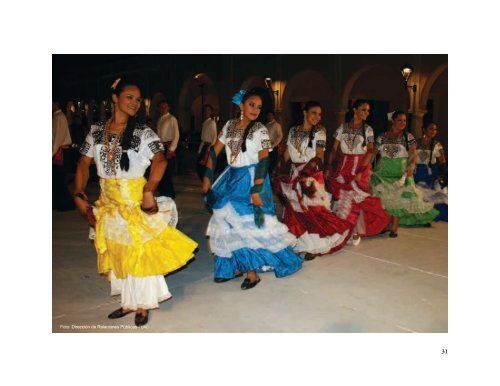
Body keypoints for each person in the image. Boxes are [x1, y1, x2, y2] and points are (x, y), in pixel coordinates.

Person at [73, 79, 198, 327]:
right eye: (129, 97)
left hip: (134, 203)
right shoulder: (97, 130)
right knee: (118, 251)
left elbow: (160, 161)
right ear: (115, 99)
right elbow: (83, 163)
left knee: (139, 252)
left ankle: (142, 304)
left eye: (138, 99)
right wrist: (78, 193)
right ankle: (129, 301)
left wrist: (149, 190)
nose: (135, 103)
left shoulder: (142, 132)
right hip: (108, 204)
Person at [202, 88, 302, 290]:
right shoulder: (229, 125)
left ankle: (252, 273)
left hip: (250, 179)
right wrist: (207, 177)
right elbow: (213, 151)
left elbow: (264, 158)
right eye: (251, 105)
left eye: (259, 107)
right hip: (230, 178)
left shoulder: (260, 130)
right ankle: (230, 267)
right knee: (225, 223)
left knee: (245, 225)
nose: (255, 110)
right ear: (241, 105)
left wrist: (256, 189)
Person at [274, 101, 351, 260]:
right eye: (314, 113)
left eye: (319, 114)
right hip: (295, 174)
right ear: (305, 112)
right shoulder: (293, 130)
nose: (317, 117)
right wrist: (278, 167)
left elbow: (319, 155)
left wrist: (307, 172)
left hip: (311, 175)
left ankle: (315, 246)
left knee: (313, 211)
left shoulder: (320, 131)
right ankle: (301, 243)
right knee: (295, 210)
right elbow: (288, 153)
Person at [325, 100, 391, 245]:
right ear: (355, 110)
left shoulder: (368, 130)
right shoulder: (342, 128)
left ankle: (355, 230)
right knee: (343, 196)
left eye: (368, 111)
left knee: (356, 197)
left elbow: (370, 151)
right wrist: (329, 167)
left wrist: (361, 171)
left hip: (361, 165)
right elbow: (334, 149)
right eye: (363, 110)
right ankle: (343, 228)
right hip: (344, 165)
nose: (366, 113)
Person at [370, 111, 439, 237]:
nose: (402, 123)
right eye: (399, 120)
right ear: (393, 121)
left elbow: (413, 154)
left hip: (399, 171)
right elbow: (373, 153)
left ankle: (394, 227)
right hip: (383, 170)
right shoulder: (381, 137)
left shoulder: (408, 137)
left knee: (397, 198)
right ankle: (386, 224)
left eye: (405, 121)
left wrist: (411, 167)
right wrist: (367, 166)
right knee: (384, 198)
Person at [414, 122, 448, 221]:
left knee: (431, 193)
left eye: (435, 129)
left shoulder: (437, 145)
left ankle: (431, 214)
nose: (433, 131)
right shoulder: (415, 142)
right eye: (431, 129)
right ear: (424, 129)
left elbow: (442, 160)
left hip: (430, 172)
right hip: (416, 171)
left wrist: (442, 174)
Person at [53, 99, 75, 211]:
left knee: (59, 179)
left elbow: (57, 138)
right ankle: (61, 203)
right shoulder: (58, 117)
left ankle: (65, 204)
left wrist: (51, 153)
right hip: (60, 150)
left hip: (60, 151)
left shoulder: (58, 117)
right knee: (58, 179)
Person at [156, 100, 179, 198]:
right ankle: (163, 192)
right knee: (161, 170)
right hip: (161, 147)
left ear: (168, 108)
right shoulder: (160, 119)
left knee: (168, 171)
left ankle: (170, 193)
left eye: (165, 107)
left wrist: (171, 149)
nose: (163, 108)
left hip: (168, 147)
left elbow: (176, 135)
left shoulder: (172, 118)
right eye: (161, 107)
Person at [196, 104, 218, 180]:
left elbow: (214, 138)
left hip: (208, 147)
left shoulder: (212, 122)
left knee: (205, 169)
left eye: (208, 110)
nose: (206, 111)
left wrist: (209, 150)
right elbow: (203, 139)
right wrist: (199, 150)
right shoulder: (205, 122)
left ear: (211, 111)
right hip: (203, 146)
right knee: (199, 168)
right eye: (205, 110)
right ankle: (206, 185)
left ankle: (209, 186)